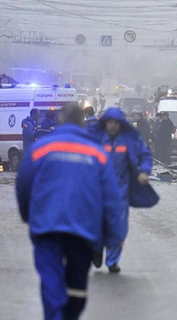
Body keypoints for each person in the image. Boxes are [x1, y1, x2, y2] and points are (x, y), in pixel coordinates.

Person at [16, 102, 123, 320]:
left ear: (59, 121)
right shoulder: (97, 154)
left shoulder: (40, 149)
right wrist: (113, 234)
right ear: (83, 123)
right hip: (83, 229)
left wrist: (29, 215)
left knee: (51, 279)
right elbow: (112, 198)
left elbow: (23, 184)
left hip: (46, 227)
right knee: (77, 287)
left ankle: (56, 315)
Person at [92, 107, 159, 273]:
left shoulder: (130, 139)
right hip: (98, 190)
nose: (112, 126)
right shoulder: (96, 138)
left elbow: (145, 155)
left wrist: (144, 171)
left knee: (118, 228)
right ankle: (97, 247)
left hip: (120, 191)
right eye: (110, 122)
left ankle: (112, 261)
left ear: (121, 124)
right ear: (105, 123)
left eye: (116, 123)